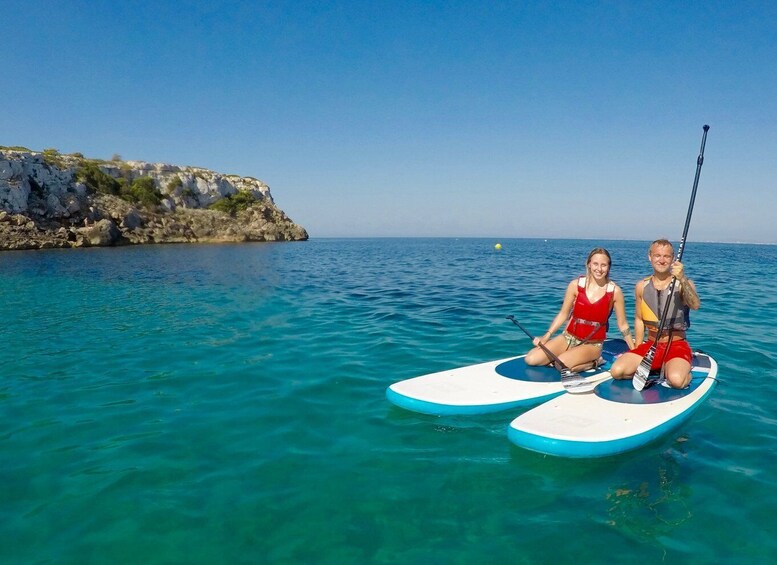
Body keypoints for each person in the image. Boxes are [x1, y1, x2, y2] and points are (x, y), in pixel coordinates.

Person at [525, 248, 635, 372]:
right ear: (589, 264)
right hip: (568, 337)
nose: (599, 269)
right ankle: (570, 356)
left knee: (560, 363)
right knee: (531, 359)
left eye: (603, 265)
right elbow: (563, 314)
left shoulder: (615, 292)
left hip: (592, 344)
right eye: (595, 264)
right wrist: (546, 336)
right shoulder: (575, 285)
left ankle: (594, 362)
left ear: (609, 267)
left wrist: (633, 350)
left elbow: (623, 324)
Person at [610, 239, 700, 389]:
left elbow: (695, 305)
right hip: (652, 345)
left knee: (677, 381)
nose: (662, 260)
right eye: (657, 255)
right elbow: (639, 319)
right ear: (650, 257)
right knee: (617, 371)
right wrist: (637, 349)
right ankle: (658, 367)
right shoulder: (641, 286)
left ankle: (680, 370)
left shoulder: (684, 283)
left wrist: (682, 278)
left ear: (673, 260)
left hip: (676, 345)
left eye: (666, 256)